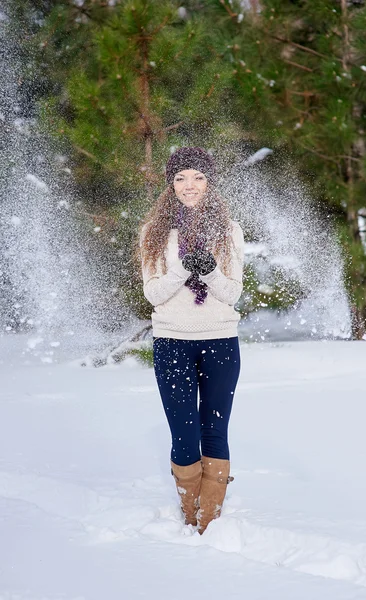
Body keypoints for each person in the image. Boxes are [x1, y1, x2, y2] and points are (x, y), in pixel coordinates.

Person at [139, 147, 244, 534]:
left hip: (220, 341)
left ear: (209, 181)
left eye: (198, 177)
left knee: (215, 430)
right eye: (181, 177)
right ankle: (189, 511)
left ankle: (209, 519)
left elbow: (232, 293)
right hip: (172, 343)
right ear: (170, 183)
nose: (190, 185)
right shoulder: (153, 232)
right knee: (184, 432)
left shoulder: (229, 231)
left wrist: (211, 271)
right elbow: (153, 294)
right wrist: (184, 267)